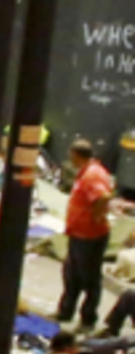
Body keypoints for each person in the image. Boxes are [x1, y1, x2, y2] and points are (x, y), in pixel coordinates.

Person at [58, 138, 114, 330]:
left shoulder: (92, 175)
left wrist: (98, 215)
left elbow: (104, 196)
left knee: (89, 278)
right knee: (71, 275)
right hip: (79, 234)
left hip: (89, 237)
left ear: (76, 155)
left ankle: (88, 318)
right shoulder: (87, 172)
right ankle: (66, 311)